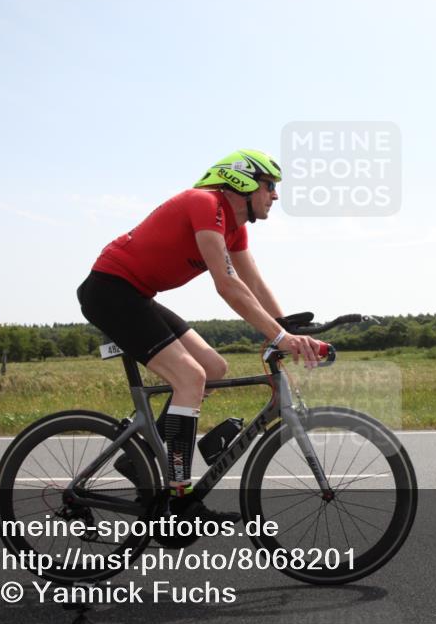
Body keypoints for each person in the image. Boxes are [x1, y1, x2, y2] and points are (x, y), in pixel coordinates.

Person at [76, 150, 323, 523]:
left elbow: (253, 282)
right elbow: (227, 285)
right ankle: (179, 496)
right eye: (270, 185)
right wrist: (278, 336)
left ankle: (139, 458)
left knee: (212, 366)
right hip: (110, 291)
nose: (275, 195)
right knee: (190, 377)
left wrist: (285, 328)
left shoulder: (234, 227)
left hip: (137, 295)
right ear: (242, 181)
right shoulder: (205, 203)